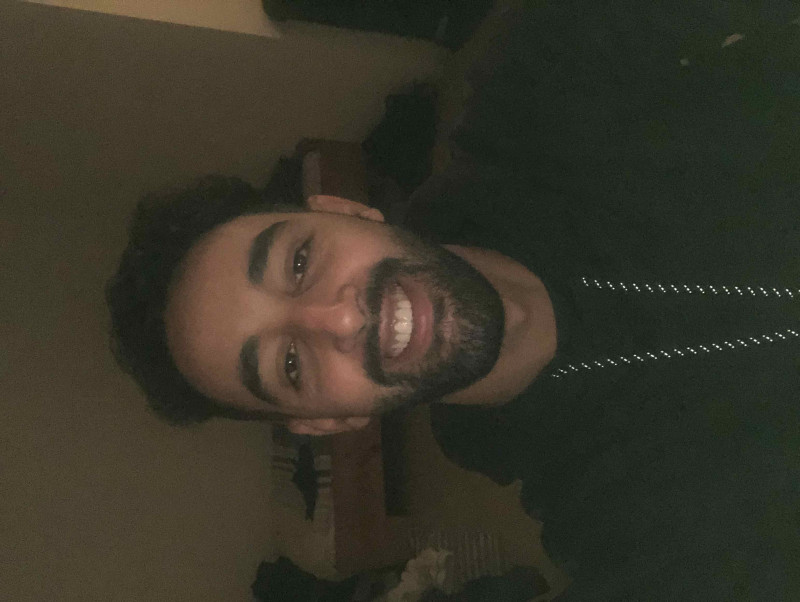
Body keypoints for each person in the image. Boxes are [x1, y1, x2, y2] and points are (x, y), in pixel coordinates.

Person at [107, 2, 800, 598]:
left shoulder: (546, 81)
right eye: (289, 364)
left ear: (344, 209)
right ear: (330, 419)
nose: (339, 318)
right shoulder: (628, 531)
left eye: (298, 262)